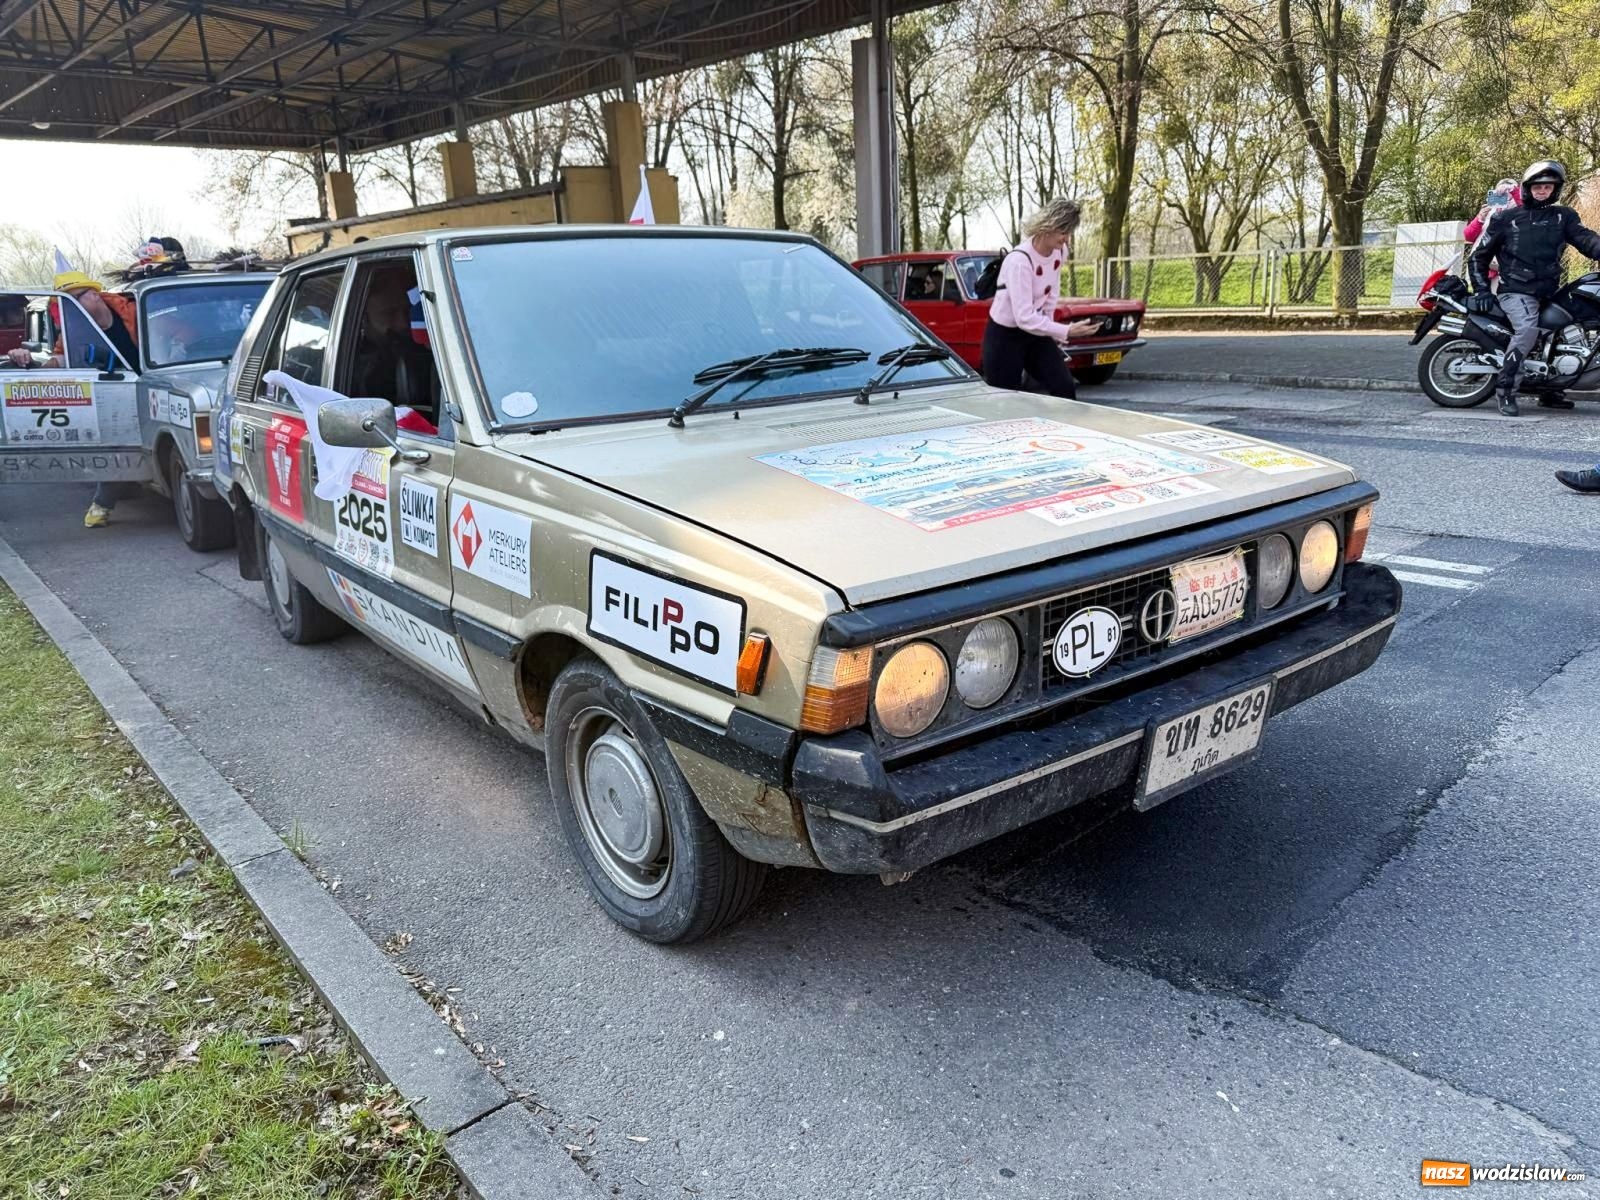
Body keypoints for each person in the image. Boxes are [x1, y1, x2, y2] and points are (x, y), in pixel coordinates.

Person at [6, 270, 142, 527]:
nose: (65, 312)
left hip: (154, 385)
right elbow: (59, 361)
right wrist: (22, 359)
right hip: (117, 398)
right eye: (60, 305)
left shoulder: (134, 313)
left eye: (70, 302)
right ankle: (103, 503)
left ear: (93, 295)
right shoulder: (73, 333)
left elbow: (178, 337)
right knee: (115, 441)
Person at [1467, 160, 1600, 416]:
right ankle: (1505, 390)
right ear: (1528, 188)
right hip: (1516, 290)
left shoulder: (1564, 216)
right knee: (1527, 330)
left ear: (1555, 189)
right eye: (1538, 186)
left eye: (1548, 186)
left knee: (1566, 329)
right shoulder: (1507, 218)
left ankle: (1550, 390)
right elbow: (1479, 255)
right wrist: (1482, 289)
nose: (1542, 191)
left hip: (1549, 290)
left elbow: (1585, 239)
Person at [982, 198, 1100, 398]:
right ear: (1048, 227)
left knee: (1064, 388)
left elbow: (1051, 292)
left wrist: (1052, 331)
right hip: (1005, 336)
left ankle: (1061, 429)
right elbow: (1024, 317)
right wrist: (1067, 330)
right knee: (1006, 400)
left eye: (1070, 232)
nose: (1067, 239)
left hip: (1034, 333)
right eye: (1063, 232)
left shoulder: (1059, 252)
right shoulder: (1020, 261)